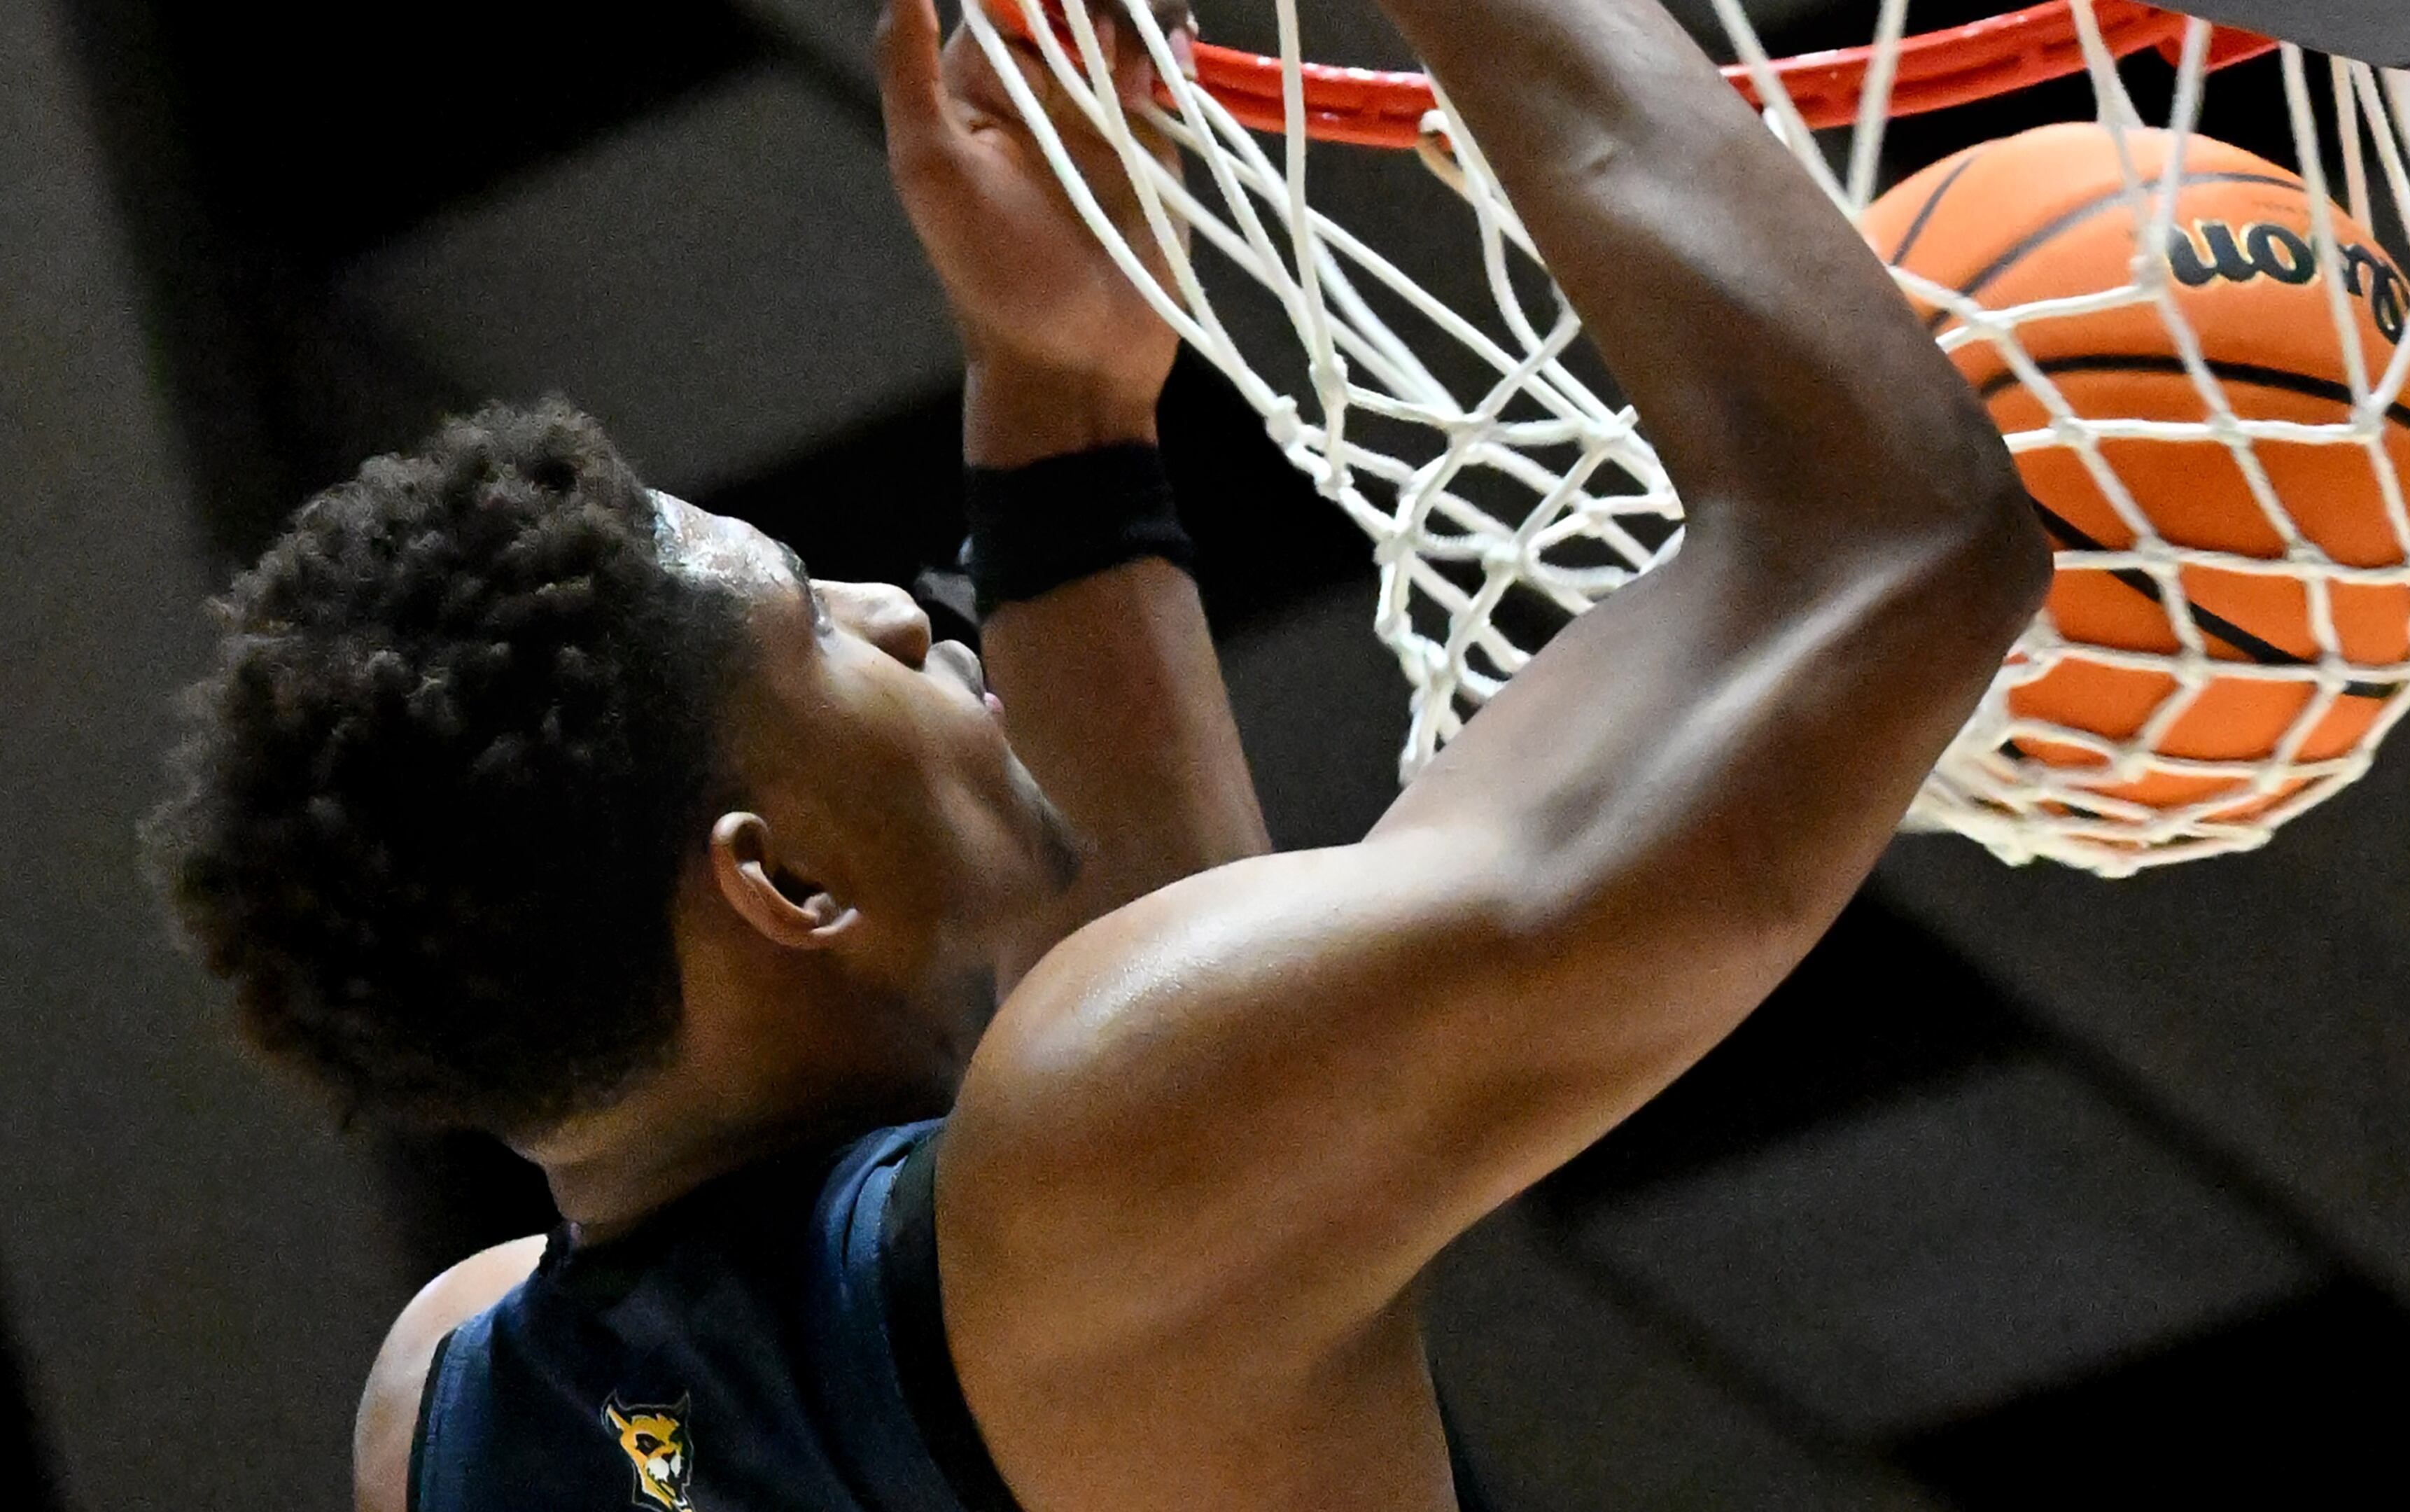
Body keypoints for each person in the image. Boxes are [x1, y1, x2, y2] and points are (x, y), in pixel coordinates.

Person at [143, 0, 2046, 1503]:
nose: (903, 605)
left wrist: (1054, 393)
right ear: (782, 881)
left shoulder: (459, 1420)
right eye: (817, 617)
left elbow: (1139, 1059)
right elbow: (1877, 541)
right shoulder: (1071, 1225)